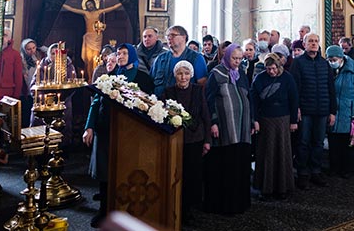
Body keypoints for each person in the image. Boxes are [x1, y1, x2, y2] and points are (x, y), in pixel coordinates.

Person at [83, 43, 153, 227]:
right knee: (106, 173)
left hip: (130, 133)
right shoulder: (109, 77)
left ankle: (128, 213)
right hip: (106, 130)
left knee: (127, 173)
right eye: (118, 54)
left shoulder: (143, 78)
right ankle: (104, 211)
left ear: (131, 55)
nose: (120, 57)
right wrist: (89, 127)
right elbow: (96, 103)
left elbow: (149, 106)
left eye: (124, 53)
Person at [203, 43, 252, 215]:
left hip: (242, 128)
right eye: (234, 58)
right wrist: (213, 122)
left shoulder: (242, 74)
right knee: (226, 166)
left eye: (240, 59)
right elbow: (209, 100)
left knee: (241, 165)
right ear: (227, 56)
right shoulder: (216, 73)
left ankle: (241, 202)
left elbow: (248, 97)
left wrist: (252, 121)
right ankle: (224, 205)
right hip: (224, 128)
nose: (237, 62)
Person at [161, 60, 211, 223]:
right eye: (180, 73)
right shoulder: (168, 92)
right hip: (175, 140)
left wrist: (207, 141)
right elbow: (162, 116)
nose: (183, 77)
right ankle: (174, 208)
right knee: (176, 175)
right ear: (175, 75)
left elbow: (205, 115)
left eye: (186, 73)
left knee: (192, 176)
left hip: (195, 139)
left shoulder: (198, 90)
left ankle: (188, 210)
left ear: (191, 75)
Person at [250, 53, 298, 200]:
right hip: (265, 120)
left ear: (278, 66)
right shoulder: (260, 78)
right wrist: (255, 120)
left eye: (273, 68)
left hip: (283, 119)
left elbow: (294, 99)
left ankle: (282, 187)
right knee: (267, 154)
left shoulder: (287, 78)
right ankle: (266, 188)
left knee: (282, 153)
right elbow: (254, 101)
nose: (271, 71)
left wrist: (294, 121)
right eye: (268, 69)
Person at [290, 33, 335, 189]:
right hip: (306, 110)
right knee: (303, 142)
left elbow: (331, 89)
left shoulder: (324, 64)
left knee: (318, 142)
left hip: (322, 110)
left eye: (316, 41)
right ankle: (302, 173)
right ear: (304, 44)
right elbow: (294, 89)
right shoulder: (298, 63)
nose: (314, 44)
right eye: (311, 41)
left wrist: (332, 111)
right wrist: (296, 109)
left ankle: (315, 171)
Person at [324, 45, 354, 178]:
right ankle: (334, 167)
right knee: (333, 141)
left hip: (349, 110)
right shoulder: (327, 70)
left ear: (341, 58)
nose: (332, 62)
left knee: (348, 142)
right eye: (329, 59)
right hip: (332, 111)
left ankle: (348, 168)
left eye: (334, 59)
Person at [61, 0, 122, 74]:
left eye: (91, 4)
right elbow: (73, 9)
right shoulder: (85, 13)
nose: (90, 6)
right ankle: (89, 77)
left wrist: (121, 4)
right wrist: (62, 4)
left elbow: (112, 7)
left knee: (96, 58)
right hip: (88, 36)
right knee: (88, 59)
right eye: (88, 5)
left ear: (94, 4)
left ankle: (95, 74)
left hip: (96, 37)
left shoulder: (98, 12)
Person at [151, 25, 207, 97]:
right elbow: (151, 82)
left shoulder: (196, 58)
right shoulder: (160, 59)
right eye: (167, 36)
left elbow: (202, 85)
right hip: (160, 102)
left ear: (184, 37)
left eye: (173, 35)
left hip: (186, 103)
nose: (169, 38)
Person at [0, 29, 24, 104]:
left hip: (6, 94)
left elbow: (18, 78)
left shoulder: (15, 55)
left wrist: (15, 98)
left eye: (5, 35)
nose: (2, 37)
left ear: (9, 39)